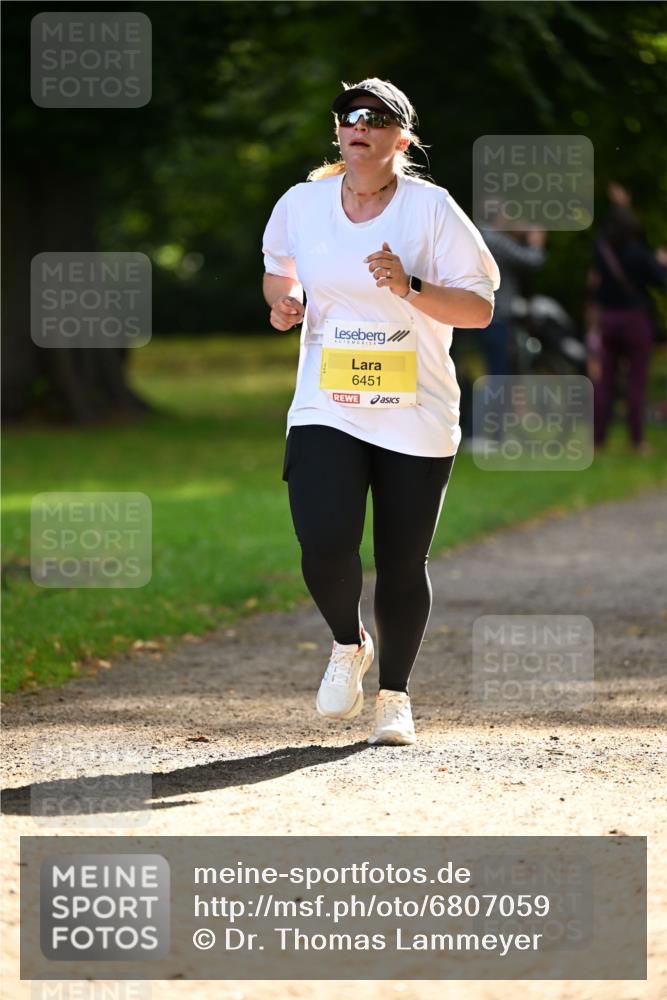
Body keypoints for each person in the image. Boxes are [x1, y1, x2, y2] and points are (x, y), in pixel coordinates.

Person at [261, 78, 499, 745]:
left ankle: (393, 697)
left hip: (414, 408)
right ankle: (348, 642)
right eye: (346, 116)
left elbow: (478, 308)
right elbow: (279, 267)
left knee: (401, 560)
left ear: (401, 135)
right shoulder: (302, 204)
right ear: (338, 132)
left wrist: (409, 285)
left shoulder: (431, 210)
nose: (355, 125)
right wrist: (284, 301)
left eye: (373, 116)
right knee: (324, 542)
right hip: (327, 400)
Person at [587, 184, 667, 453]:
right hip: (635, 320)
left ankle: (598, 441)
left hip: (608, 320)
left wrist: (621, 205)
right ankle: (636, 440)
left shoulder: (603, 252)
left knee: (605, 382)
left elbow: (603, 237)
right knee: (636, 382)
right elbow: (661, 280)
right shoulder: (640, 255)